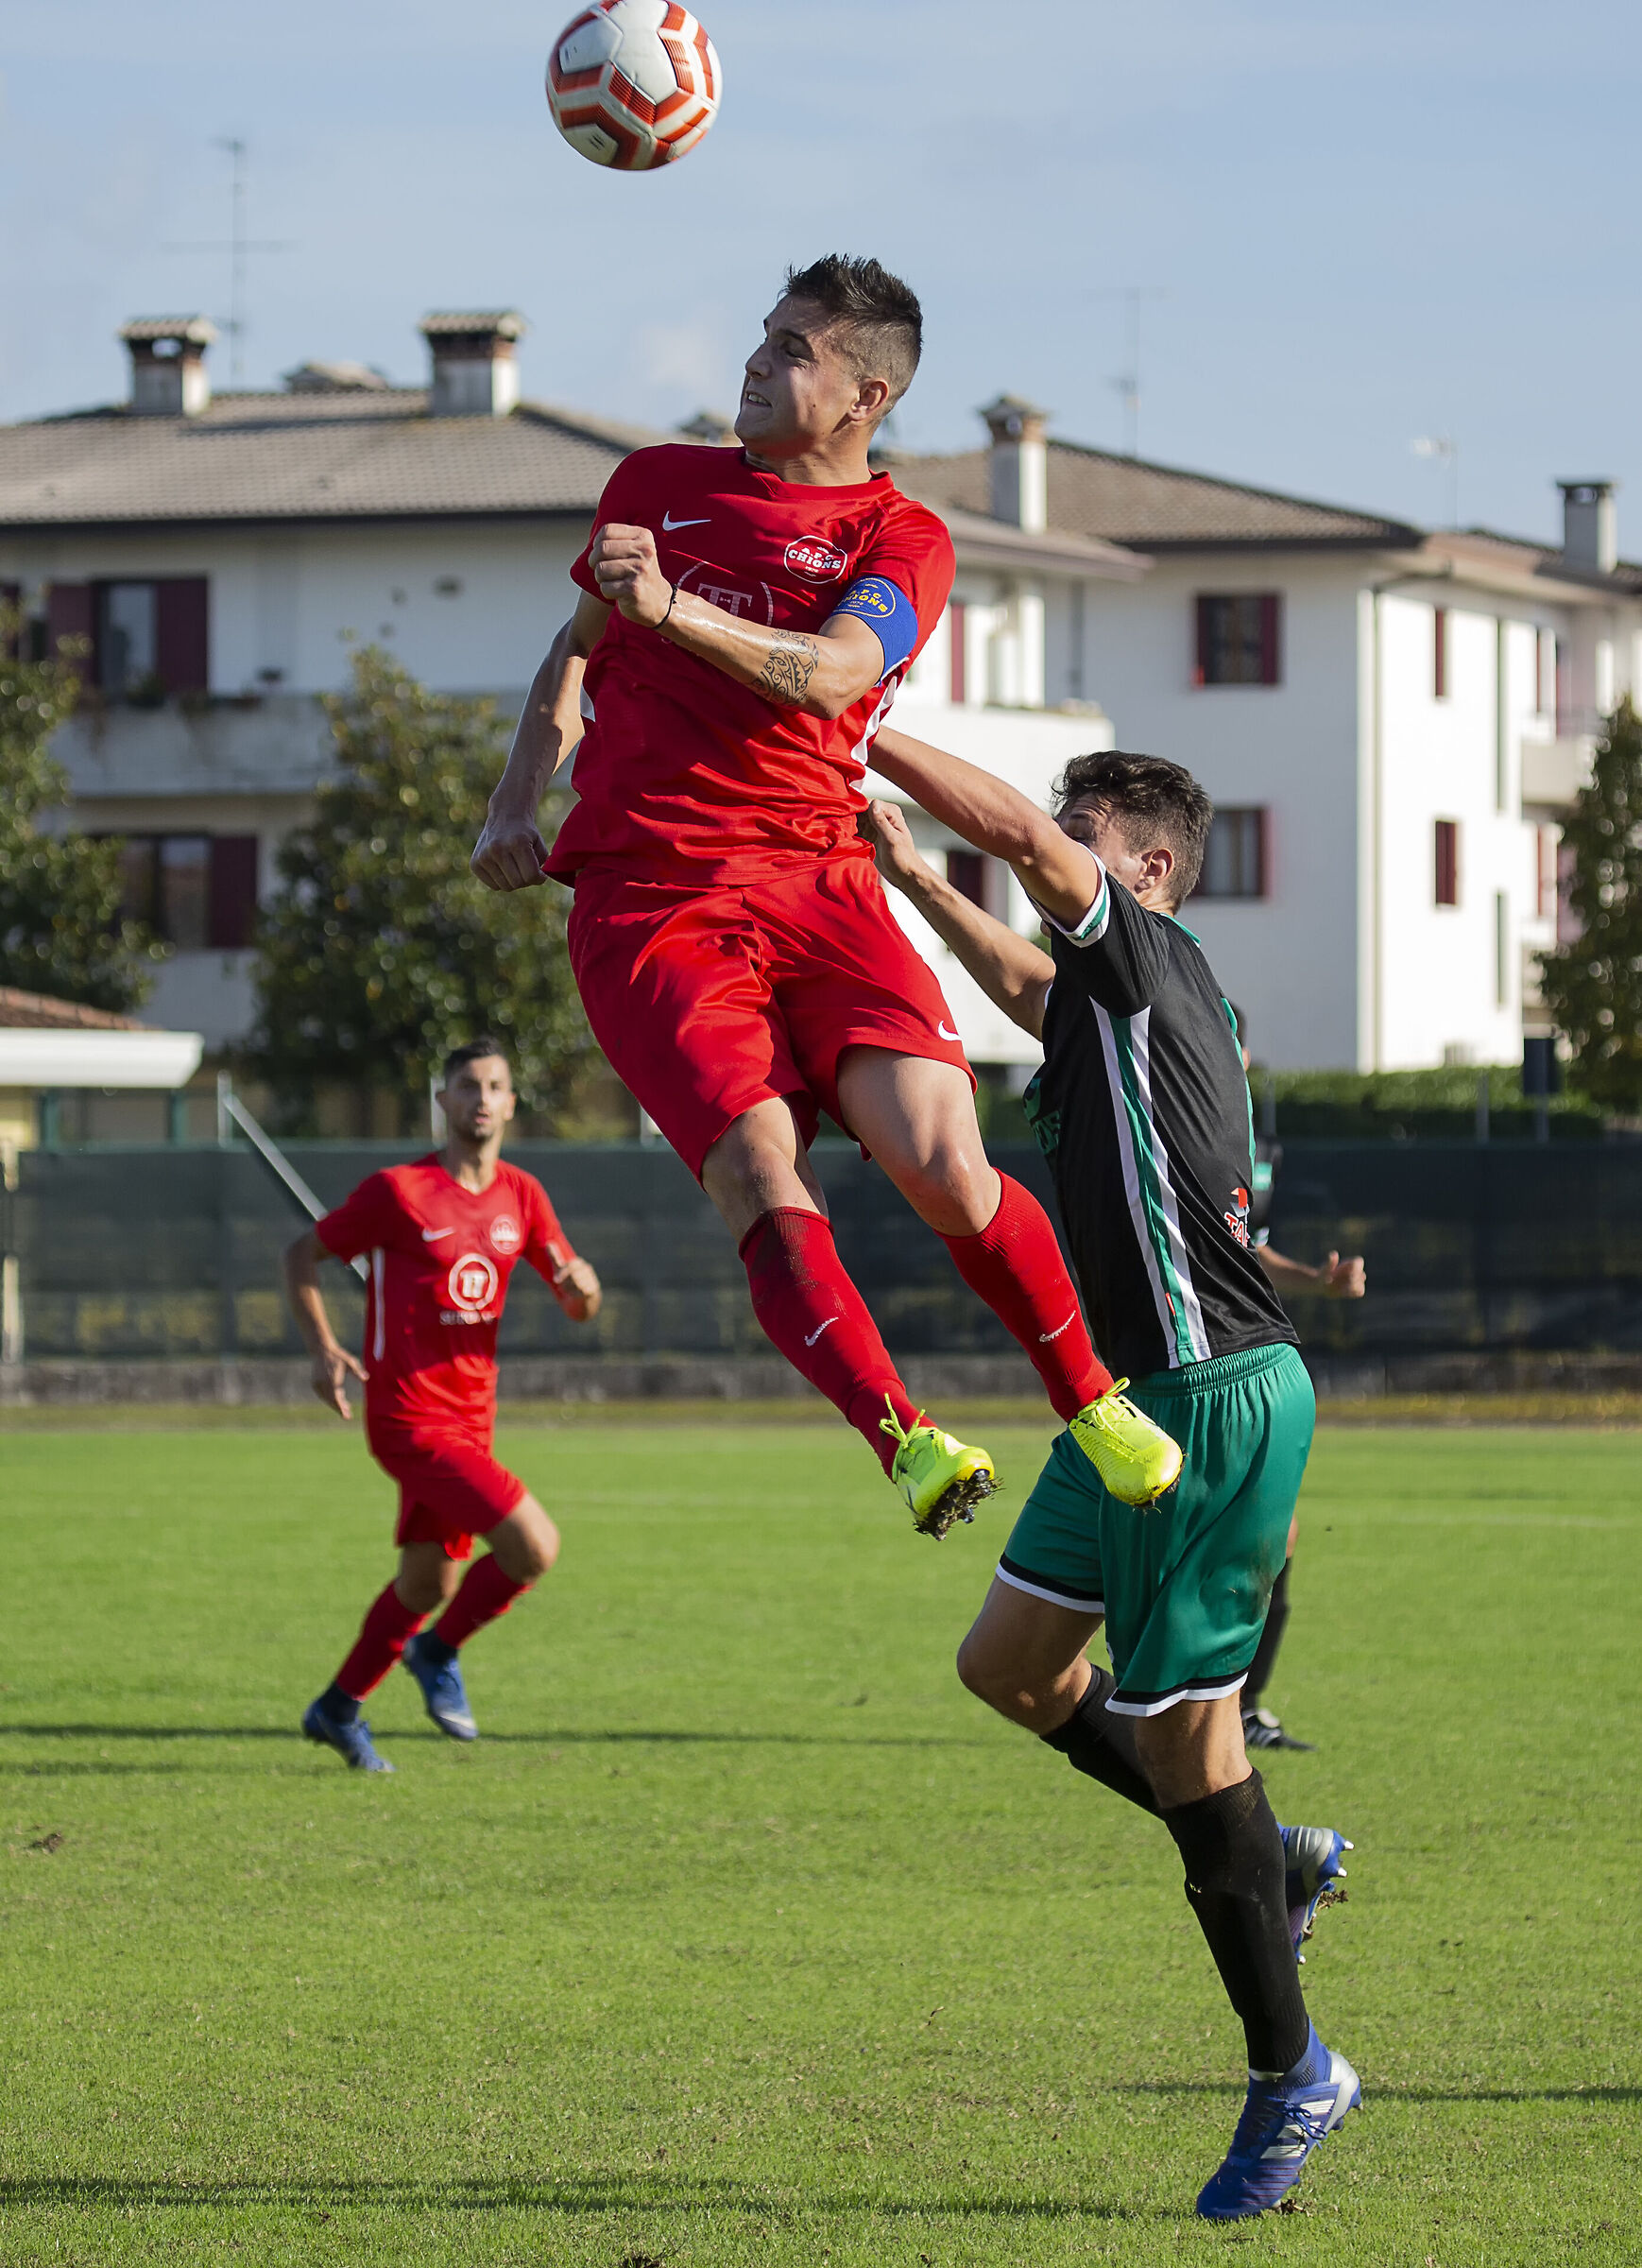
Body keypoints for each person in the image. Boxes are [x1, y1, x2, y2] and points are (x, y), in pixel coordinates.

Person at [470, 252, 1178, 1538]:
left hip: (823, 884)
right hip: (652, 900)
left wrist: (674, 607)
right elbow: (574, 650)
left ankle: (1086, 1396)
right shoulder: (654, 484)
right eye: (763, 335)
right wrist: (515, 794)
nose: (754, 360)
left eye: (791, 348)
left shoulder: (902, 540)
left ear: (863, 395)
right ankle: (905, 1441)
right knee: (755, 1163)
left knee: (945, 1165)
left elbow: (828, 676)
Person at [860, 747, 1358, 2221]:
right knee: (1009, 1666)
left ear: (1140, 872)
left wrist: (858, 719)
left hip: (1212, 1401)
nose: (1054, 849)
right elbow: (1022, 988)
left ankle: (1290, 2075)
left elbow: (1013, 834)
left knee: (1181, 1740)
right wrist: (903, 879)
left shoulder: (1145, 950)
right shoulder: (1106, 1002)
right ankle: (1275, 1858)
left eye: (1083, 839)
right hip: (1127, 1408)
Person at [286, 1039, 602, 1773]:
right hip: (407, 1416)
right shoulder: (399, 1191)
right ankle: (437, 1649)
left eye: (495, 1086)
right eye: (467, 1086)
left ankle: (336, 1709)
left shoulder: (523, 1196)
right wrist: (321, 1347)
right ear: (443, 1101)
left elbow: (574, 1300)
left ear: (512, 1103)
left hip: (473, 1421)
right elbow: (300, 1254)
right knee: (534, 1546)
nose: (482, 1099)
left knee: (428, 1581)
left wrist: (583, 1290)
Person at [1230, 1009, 1368, 1753]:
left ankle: (1242, 1707)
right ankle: (1143, 1696)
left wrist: (1316, 1280)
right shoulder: (1165, 1117)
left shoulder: (1259, 1147)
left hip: (1251, 1352)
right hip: (1177, 1352)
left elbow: (1249, 1248)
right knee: (1163, 1531)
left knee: (1273, 1540)